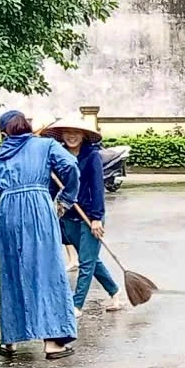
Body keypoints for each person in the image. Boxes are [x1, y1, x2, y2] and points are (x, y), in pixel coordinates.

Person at [0, 111, 81, 361]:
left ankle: (10, 340)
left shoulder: (0, 155)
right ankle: (53, 342)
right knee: (47, 270)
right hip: (38, 208)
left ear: (4, 132)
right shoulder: (46, 145)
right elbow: (70, 166)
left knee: (12, 271)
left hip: (7, 211)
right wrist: (65, 199)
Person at [42, 116, 125, 314]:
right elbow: (53, 187)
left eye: (76, 132)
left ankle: (76, 305)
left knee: (86, 263)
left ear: (84, 135)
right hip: (70, 215)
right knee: (91, 259)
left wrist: (96, 218)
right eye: (68, 132)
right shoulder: (58, 156)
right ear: (62, 135)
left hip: (90, 215)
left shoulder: (92, 156)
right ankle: (115, 291)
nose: (72, 136)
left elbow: (97, 188)